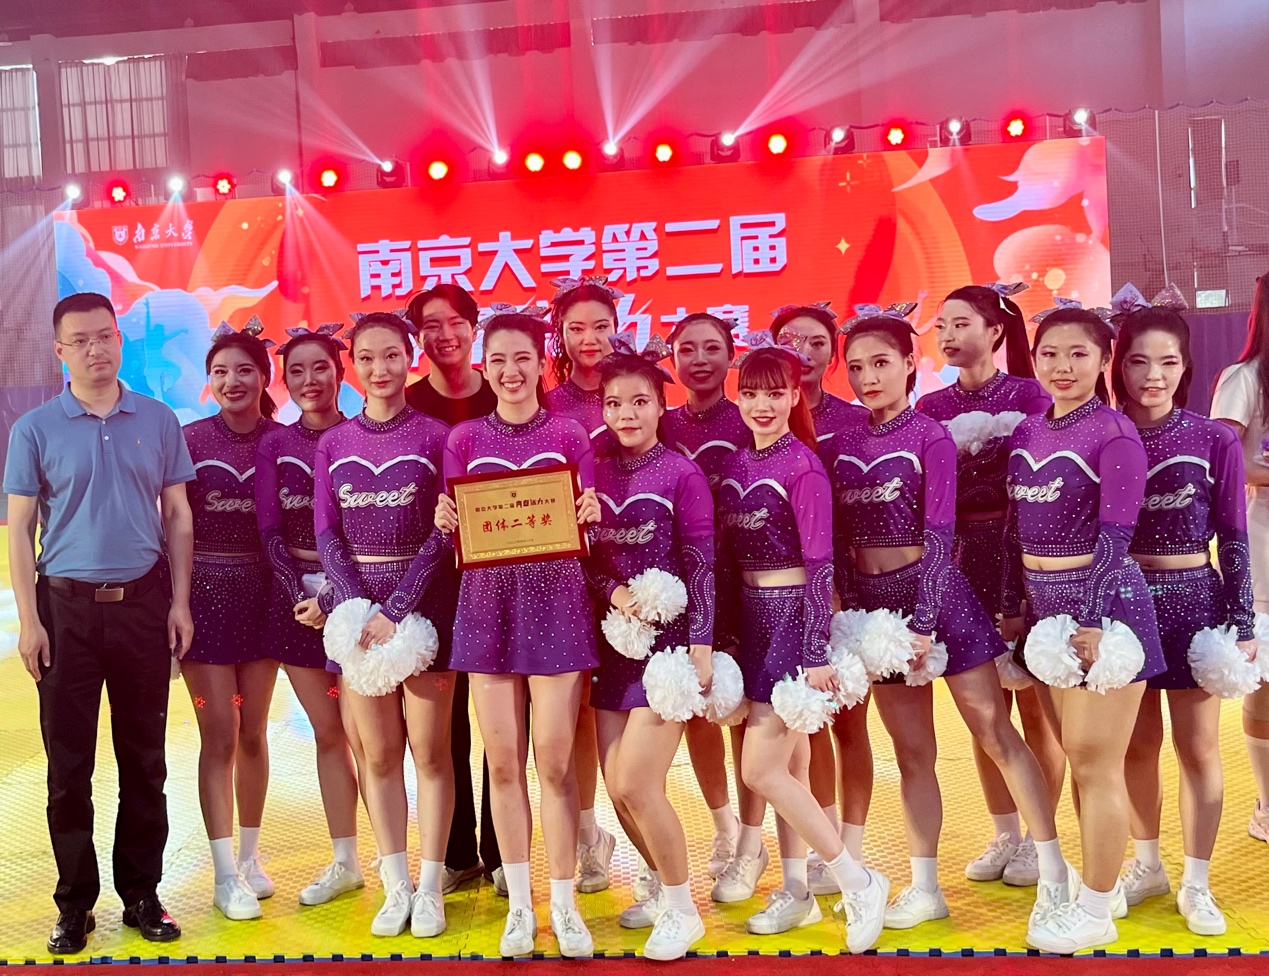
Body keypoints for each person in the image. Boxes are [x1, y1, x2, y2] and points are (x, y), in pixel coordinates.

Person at [831, 311, 1068, 939]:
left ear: (910, 364)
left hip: (941, 602)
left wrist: (925, 621)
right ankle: (926, 887)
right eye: (856, 367)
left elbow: (940, 536)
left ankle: (1054, 873)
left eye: (881, 363)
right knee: (913, 754)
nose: (868, 377)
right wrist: (855, 613)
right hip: (878, 613)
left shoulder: (930, 437)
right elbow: (839, 543)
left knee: (995, 732)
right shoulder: (840, 445)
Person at [5, 291, 192, 953]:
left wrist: (178, 603)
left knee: (145, 762)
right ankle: (74, 904)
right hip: (65, 613)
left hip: (143, 606)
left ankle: (141, 894)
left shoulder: (158, 420)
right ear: (60, 351)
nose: (95, 349)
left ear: (120, 339)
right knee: (68, 768)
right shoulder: (35, 429)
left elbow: (178, 515)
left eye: (105, 336)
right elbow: (20, 528)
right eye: (80, 340)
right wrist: (30, 621)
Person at [434, 311, 602, 958]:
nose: (510, 371)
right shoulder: (465, 439)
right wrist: (447, 518)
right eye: (498, 359)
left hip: (557, 606)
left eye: (522, 358)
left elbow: (587, 520)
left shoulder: (569, 434)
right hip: (486, 608)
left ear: (541, 362)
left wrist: (590, 509)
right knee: (503, 764)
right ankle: (521, 908)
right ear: (485, 365)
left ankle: (564, 904)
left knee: (554, 765)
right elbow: (456, 530)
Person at [717, 342, 888, 953]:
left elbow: (820, 567)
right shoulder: (735, 465)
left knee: (758, 769)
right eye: (750, 393)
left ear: (795, 395)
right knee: (790, 768)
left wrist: (814, 649)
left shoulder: (804, 467)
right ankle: (796, 891)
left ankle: (856, 880)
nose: (762, 405)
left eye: (774, 393)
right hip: (753, 621)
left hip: (794, 622)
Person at [1005, 304, 1166, 953]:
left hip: (1104, 616)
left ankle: (1097, 910)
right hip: (1046, 612)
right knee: (1077, 759)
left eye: (1078, 354)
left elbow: (1115, 535)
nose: (1062, 366)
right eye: (1049, 353)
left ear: (1104, 360)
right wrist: (1016, 609)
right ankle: (1096, 889)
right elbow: (1015, 531)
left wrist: (1094, 621)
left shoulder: (1114, 433)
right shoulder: (1028, 430)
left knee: (1097, 764)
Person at [1110, 290, 1255, 935]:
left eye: (1167, 362)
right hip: (1123, 604)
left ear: (1186, 367)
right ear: (1119, 366)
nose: (1153, 376)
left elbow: (1234, 535)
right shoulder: (1105, 436)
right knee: (1136, 747)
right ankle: (1147, 865)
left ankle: (1197, 882)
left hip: (1196, 601)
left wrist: (1242, 623)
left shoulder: (1212, 439)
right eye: (1138, 361)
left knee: (1197, 748)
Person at [915, 284, 1065, 888]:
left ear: (996, 330)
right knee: (982, 708)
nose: (948, 336)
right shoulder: (930, 407)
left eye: (961, 324)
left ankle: (1039, 837)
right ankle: (1004, 832)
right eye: (941, 326)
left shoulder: (1031, 396)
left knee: (1034, 706)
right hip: (958, 562)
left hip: (1020, 557)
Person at [314, 312, 458, 938]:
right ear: (353, 365)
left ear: (411, 358)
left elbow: (446, 530)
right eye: (367, 358)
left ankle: (431, 886)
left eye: (392, 356)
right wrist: (355, 608)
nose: (380, 369)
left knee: (431, 752)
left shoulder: (438, 436)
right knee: (377, 755)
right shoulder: (334, 443)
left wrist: (396, 609)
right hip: (359, 621)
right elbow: (327, 532)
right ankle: (395, 885)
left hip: (426, 610)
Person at [586, 336, 715, 960]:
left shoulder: (682, 474)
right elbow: (582, 557)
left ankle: (685, 911)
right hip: (611, 647)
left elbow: (702, 565)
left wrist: (701, 645)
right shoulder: (591, 470)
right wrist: (613, 592)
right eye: (614, 403)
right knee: (616, 787)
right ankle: (665, 890)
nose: (626, 414)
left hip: (667, 653)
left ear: (662, 406)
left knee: (638, 782)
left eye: (639, 401)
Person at [254, 324, 363, 907]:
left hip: (361, 598)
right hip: (295, 603)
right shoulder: (275, 445)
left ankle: (400, 861)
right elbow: (270, 530)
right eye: (295, 371)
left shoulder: (359, 436)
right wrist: (303, 595)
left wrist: (335, 597)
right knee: (329, 733)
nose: (309, 380)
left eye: (320, 367)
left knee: (372, 738)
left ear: (340, 372)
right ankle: (345, 859)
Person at [404, 285, 505, 897]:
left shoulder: (506, 390)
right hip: (433, 584)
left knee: (503, 723)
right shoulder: (408, 403)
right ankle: (457, 852)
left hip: (502, 583)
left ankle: (502, 852)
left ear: (474, 327)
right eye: (431, 326)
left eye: (455, 323)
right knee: (444, 730)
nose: (444, 335)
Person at [180, 320, 282, 922]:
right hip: (203, 601)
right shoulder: (188, 440)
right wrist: (172, 605)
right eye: (220, 371)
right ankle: (223, 874)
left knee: (253, 732)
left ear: (264, 377)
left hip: (265, 600)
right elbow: (169, 526)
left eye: (244, 369)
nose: (232, 381)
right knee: (219, 732)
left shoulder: (281, 441)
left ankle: (249, 857)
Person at [772, 302, 870, 897]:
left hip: (850, 585)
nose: (803, 352)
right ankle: (823, 840)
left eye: (815, 343)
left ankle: (853, 848)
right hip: (794, 598)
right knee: (805, 728)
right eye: (790, 340)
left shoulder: (856, 422)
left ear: (833, 354)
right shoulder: (764, 426)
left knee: (850, 725)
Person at [661, 312, 745, 897]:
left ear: (731, 356)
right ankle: (724, 827)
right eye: (686, 349)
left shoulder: (750, 419)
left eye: (711, 348)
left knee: (747, 714)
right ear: (671, 360)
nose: (699, 360)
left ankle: (755, 835)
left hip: (748, 581)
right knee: (699, 712)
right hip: (686, 585)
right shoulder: (660, 424)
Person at [545, 275, 620, 894]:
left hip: (632, 569)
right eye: (576, 328)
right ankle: (590, 835)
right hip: (569, 574)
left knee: (628, 709)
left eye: (601, 325)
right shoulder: (547, 407)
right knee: (575, 715)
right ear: (560, 335)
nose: (589, 338)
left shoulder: (637, 391)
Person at [1209, 270, 1269, 844]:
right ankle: (1267, 805)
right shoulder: (1243, 379)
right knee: (1265, 685)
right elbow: (1224, 463)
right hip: (1264, 547)